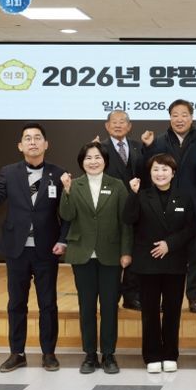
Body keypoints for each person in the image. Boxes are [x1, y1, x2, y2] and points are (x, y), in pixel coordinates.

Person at [0, 122, 68, 373]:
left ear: (46, 144)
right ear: (20, 146)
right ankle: (17, 353)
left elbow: (67, 213)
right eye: (28, 138)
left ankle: (49, 353)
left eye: (37, 138)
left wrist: (63, 239)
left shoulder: (58, 173)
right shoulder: (8, 172)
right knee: (16, 303)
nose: (33, 142)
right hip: (16, 248)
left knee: (48, 303)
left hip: (46, 249)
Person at [59, 142, 132, 374]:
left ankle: (109, 354)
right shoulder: (74, 184)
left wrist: (126, 251)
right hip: (82, 254)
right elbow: (66, 215)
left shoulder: (117, 185)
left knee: (110, 306)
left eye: (97, 157)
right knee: (87, 306)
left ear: (105, 161)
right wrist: (67, 191)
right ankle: (90, 355)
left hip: (110, 255)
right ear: (82, 162)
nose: (93, 161)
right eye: (88, 158)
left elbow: (126, 222)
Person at [122, 153, 196, 374]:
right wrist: (133, 194)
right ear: (150, 173)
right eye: (155, 169)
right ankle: (152, 355)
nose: (160, 173)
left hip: (174, 262)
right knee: (150, 312)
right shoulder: (141, 195)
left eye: (165, 169)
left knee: (173, 311)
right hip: (148, 263)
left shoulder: (184, 197)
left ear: (173, 173)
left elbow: (190, 228)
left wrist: (169, 244)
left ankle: (170, 354)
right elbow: (128, 219)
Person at [140, 99, 196, 313]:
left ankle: (193, 297)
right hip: (164, 208)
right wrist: (147, 148)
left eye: (184, 115)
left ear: (192, 117)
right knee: (166, 251)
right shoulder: (158, 141)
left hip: (193, 206)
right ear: (169, 117)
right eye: (175, 115)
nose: (180, 119)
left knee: (195, 254)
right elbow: (148, 170)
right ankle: (166, 298)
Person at [97, 110, 143, 311]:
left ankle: (131, 296)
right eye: (114, 122)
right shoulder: (99, 148)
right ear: (107, 126)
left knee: (134, 251)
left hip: (135, 208)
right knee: (113, 254)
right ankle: (111, 297)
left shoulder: (138, 147)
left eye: (122, 121)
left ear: (129, 126)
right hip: (110, 207)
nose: (118, 125)